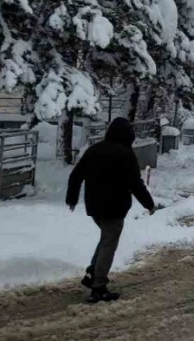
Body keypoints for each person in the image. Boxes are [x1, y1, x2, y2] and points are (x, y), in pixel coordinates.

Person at [66, 117, 156, 303]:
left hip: (94, 206)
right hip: (114, 207)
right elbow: (135, 184)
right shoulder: (125, 154)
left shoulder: (94, 150)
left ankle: (92, 273)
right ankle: (98, 286)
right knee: (109, 243)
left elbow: (76, 175)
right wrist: (149, 204)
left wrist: (72, 198)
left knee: (106, 238)